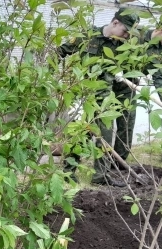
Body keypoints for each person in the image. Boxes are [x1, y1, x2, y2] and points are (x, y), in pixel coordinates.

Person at [58, 8, 140, 187]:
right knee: (79, 134)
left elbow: (131, 75)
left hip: (104, 99)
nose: (126, 36)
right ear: (115, 22)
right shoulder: (88, 35)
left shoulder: (124, 46)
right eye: (125, 31)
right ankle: (67, 172)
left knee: (105, 135)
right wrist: (51, 77)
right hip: (83, 96)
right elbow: (61, 51)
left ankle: (100, 176)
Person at [114, 16, 162, 162]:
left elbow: (160, 78)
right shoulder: (137, 34)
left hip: (128, 86)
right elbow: (112, 46)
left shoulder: (159, 51)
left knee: (127, 125)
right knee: (96, 124)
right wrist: (113, 68)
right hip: (108, 81)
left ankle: (118, 165)